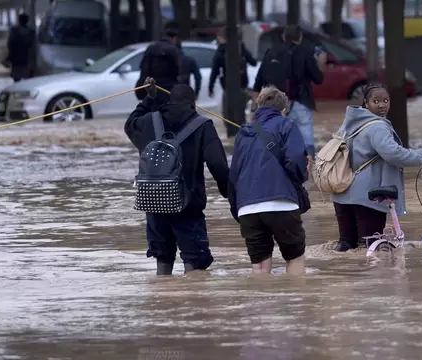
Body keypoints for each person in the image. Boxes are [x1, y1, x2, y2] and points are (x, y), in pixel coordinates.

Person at [124, 78, 230, 275]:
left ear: (170, 100)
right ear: (193, 103)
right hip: (188, 205)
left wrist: (149, 99)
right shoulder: (203, 125)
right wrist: (230, 194)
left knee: (163, 257)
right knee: (195, 260)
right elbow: (218, 164)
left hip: (154, 203)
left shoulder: (148, 121)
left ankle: (164, 301)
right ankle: (191, 302)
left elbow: (129, 124)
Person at [330, 84, 422, 252]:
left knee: (346, 248)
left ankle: (343, 277)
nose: (382, 105)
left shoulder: (348, 124)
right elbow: (395, 154)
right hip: (369, 197)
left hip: (341, 194)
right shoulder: (377, 126)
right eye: (376, 101)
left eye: (386, 100)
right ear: (366, 103)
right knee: (370, 248)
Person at [228, 86, 309, 275]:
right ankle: (297, 302)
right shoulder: (286, 125)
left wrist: (237, 208)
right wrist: (299, 182)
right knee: (294, 258)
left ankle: (262, 302)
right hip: (282, 204)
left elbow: (234, 174)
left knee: (260, 267)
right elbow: (296, 161)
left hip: (247, 209)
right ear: (283, 110)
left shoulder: (244, 132)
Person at [253, 25, 326, 160]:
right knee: (305, 137)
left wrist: (256, 108)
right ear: (300, 37)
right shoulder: (305, 52)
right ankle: (308, 170)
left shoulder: (271, 52)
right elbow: (318, 79)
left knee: (278, 137)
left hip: (275, 104)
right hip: (300, 101)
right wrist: (321, 63)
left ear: (283, 37)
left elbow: (258, 82)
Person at [208, 28, 256, 125]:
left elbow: (215, 71)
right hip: (242, 85)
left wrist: (211, 86)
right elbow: (253, 62)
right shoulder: (240, 48)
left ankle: (232, 132)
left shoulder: (221, 51)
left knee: (228, 115)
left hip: (228, 87)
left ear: (222, 38)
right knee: (241, 113)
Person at [135, 22, 182, 105]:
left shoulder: (150, 48)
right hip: (168, 90)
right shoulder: (174, 50)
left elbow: (143, 69)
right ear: (174, 38)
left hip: (151, 88)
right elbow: (178, 71)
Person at [7, 13, 36, 82]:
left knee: (16, 78)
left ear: (19, 20)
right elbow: (33, 47)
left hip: (16, 58)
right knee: (28, 78)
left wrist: (10, 54)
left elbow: (10, 43)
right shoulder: (31, 32)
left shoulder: (14, 31)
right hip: (27, 58)